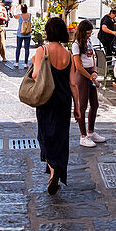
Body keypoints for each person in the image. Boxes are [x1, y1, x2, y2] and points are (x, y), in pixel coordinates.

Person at [32, 16, 73, 195]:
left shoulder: (43, 50)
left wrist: (35, 61)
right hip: (64, 101)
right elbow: (73, 83)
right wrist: (79, 108)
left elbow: (35, 75)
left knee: (46, 135)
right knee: (61, 137)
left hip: (47, 99)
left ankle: (53, 168)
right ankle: (57, 169)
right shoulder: (68, 55)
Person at [70, 19, 106, 148]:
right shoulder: (76, 45)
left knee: (95, 104)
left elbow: (93, 57)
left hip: (90, 74)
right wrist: (90, 77)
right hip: (83, 76)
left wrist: (95, 71)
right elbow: (78, 66)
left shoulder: (89, 41)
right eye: (87, 33)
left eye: (90, 33)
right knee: (82, 106)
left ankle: (91, 131)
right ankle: (83, 135)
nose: (89, 35)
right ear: (82, 32)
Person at [14, 3, 32, 67]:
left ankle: (16, 62)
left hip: (20, 34)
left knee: (18, 48)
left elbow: (13, 14)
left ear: (21, 9)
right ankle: (26, 63)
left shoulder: (19, 16)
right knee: (27, 49)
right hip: (28, 34)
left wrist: (15, 7)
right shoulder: (30, 15)